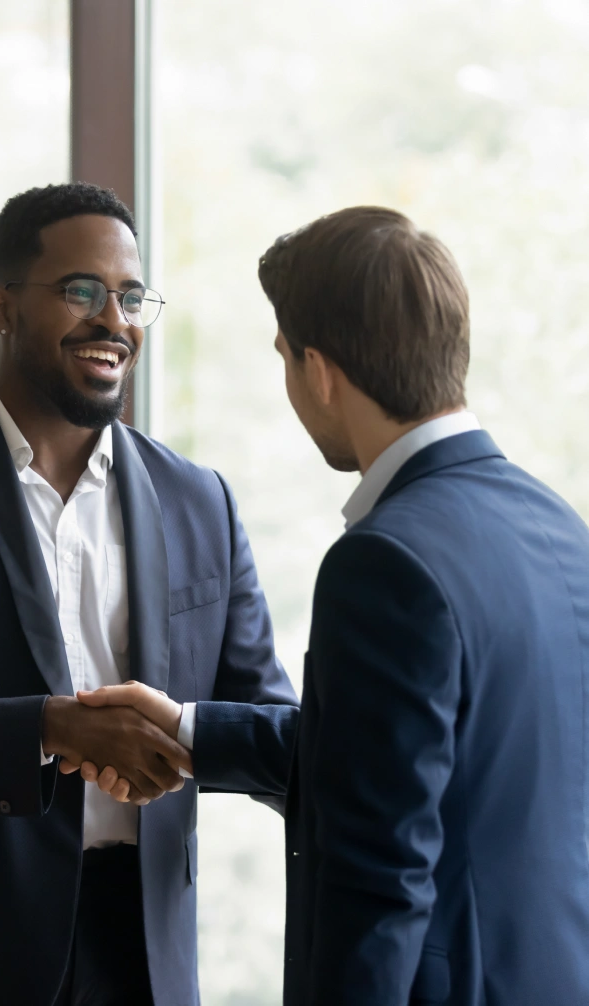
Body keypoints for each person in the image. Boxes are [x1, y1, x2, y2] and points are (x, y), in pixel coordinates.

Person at [80, 207, 589, 1005]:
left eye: (284, 359)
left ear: (318, 369)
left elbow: (378, 877)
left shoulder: (384, 561)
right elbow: (409, 757)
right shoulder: (561, 528)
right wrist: (190, 731)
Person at [0, 181, 298, 1006]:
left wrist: (183, 734)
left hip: (143, 958)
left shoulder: (199, 501)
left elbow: (275, 729)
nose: (115, 320)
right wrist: (45, 728)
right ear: (2, 306)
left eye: (133, 296)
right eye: (83, 291)